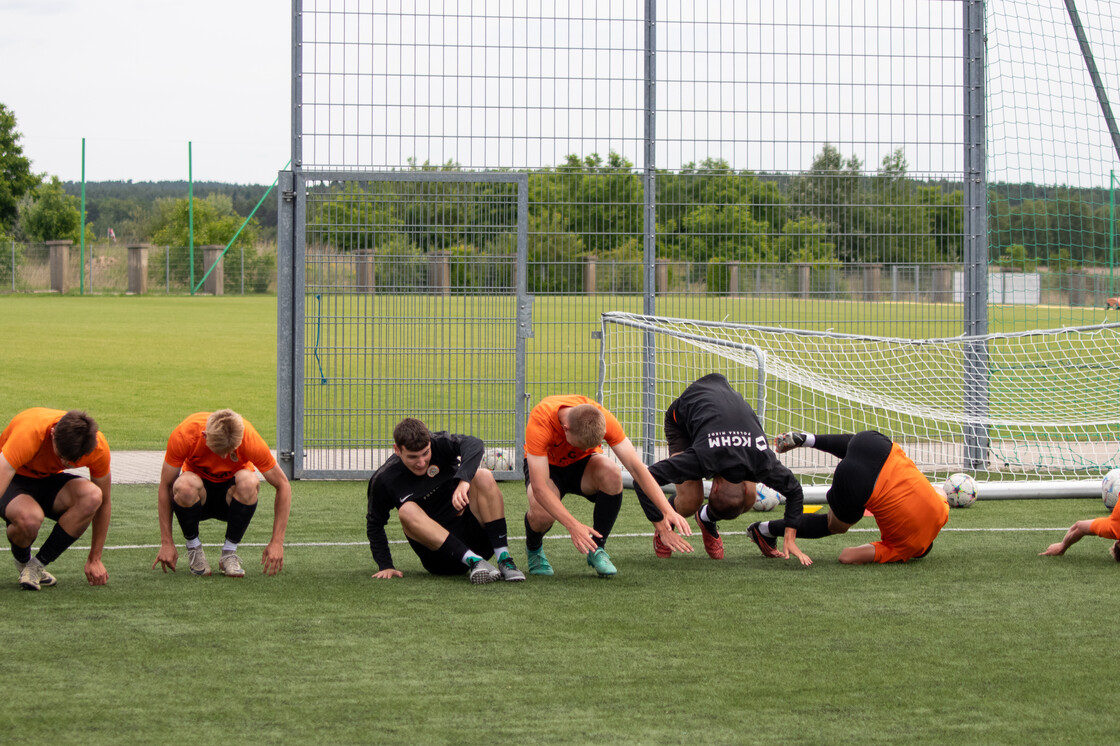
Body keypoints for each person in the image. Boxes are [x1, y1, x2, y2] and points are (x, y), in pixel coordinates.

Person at [633, 373, 809, 563]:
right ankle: (671, 524)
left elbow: (794, 491)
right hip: (683, 422)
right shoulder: (700, 459)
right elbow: (643, 478)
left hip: (722, 420)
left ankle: (706, 518)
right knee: (691, 499)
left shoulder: (760, 460)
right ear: (714, 487)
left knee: (749, 498)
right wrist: (660, 524)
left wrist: (789, 538)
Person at [523, 394, 693, 577]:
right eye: (581, 445)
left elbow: (637, 469)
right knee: (542, 512)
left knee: (612, 473)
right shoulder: (541, 420)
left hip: (582, 466)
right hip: (548, 466)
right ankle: (534, 549)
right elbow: (540, 487)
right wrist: (573, 526)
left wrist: (667, 510)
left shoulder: (601, 417)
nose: (581, 449)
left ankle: (597, 549)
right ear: (566, 429)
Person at [748, 430, 950, 565]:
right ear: (917, 553)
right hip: (858, 480)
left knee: (857, 447)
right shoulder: (905, 549)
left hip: (874, 443)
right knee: (835, 525)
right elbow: (847, 556)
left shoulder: (942, 513)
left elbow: (941, 492)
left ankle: (808, 439)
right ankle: (765, 530)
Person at [367, 418, 525, 584]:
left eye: (425, 453)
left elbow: (474, 443)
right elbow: (375, 523)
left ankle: (504, 560)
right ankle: (474, 562)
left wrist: (464, 481)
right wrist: (385, 565)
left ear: (430, 442)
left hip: (477, 540)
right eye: (413, 457)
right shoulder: (384, 479)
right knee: (406, 510)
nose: (421, 463)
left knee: (483, 475)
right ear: (397, 450)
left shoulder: (439, 443)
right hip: (442, 558)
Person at [152, 409, 291, 578]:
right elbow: (166, 486)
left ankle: (229, 553)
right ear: (205, 436)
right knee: (184, 485)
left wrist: (277, 542)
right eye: (219, 450)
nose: (225, 456)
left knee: (249, 482)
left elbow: (283, 485)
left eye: (231, 451)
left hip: (231, 499)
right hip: (197, 498)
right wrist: (167, 542)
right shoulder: (186, 433)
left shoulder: (248, 436)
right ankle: (194, 548)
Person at [0, 408, 112, 590]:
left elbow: (105, 502)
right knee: (30, 519)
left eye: (73, 462)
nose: (67, 464)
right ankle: (22, 562)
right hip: (13, 476)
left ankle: (35, 567)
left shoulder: (97, 447)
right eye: (62, 457)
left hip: (46, 479)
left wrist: (95, 558)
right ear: (53, 434)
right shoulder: (30, 432)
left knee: (93, 496)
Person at [1039, 499, 1120, 561]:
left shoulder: (1114, 528)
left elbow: (1079, 527)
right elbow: (1079, 527)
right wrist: (1061, 547)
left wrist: (1062, 546)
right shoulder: (1114, 528)